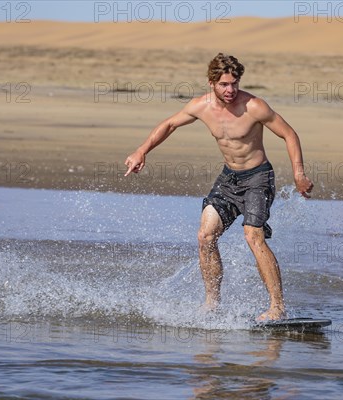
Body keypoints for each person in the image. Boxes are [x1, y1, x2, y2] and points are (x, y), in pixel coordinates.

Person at [124, 53, 313, 321]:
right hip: (228, 179)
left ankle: (277, 307)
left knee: (252, 236)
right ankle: (212, 303)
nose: (230, 90)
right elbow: (169, 124)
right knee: (205, 236)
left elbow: (289, 134)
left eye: (234, 83)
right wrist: (142, 150)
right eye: (224, 84)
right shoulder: (200, 106)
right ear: (211, 82)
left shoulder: (254, 106)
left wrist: (299, 174)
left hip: (258, 178)